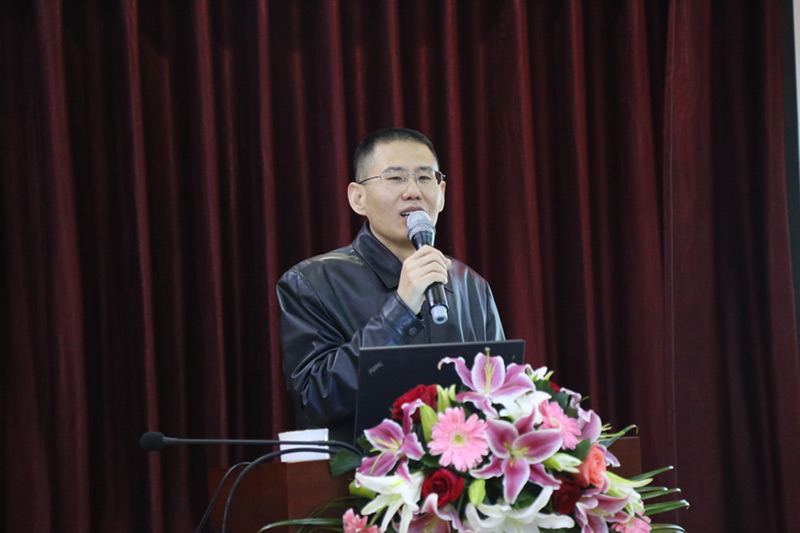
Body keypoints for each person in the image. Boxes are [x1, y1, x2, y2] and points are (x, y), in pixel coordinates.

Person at [277, 127, 504, 442]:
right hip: (362, 470)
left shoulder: (470, 284)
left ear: (441, 194)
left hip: (462, 467)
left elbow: (501, 392)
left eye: (424, 178)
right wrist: (401, 309)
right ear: (358, 198)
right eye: (395, 178)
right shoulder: (311, 282)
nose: (413, 191)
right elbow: (316, 399)